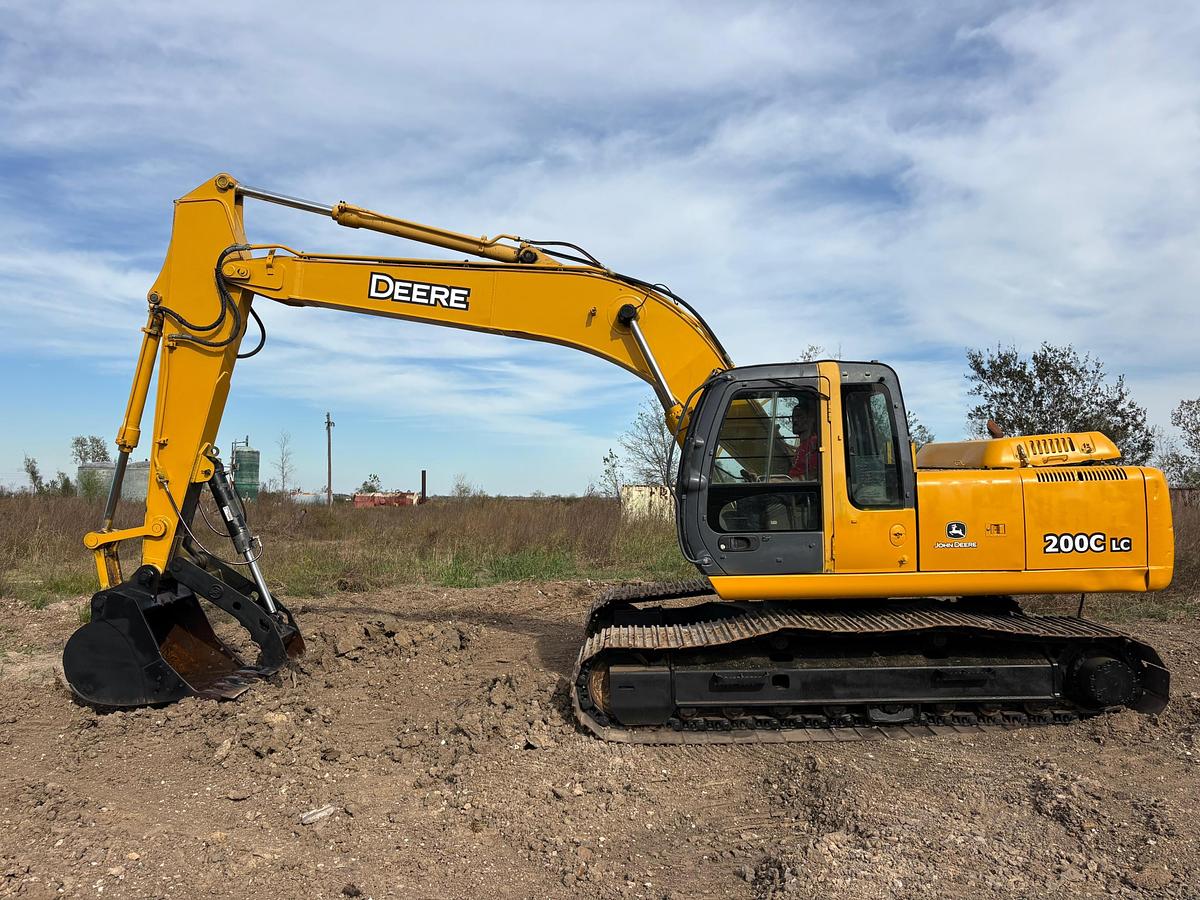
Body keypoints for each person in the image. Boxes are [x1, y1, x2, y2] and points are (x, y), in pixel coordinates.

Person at [788, 396, 819, 480]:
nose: (794, 420)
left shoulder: (816, 443)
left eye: (799, 416)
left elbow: (820, 470)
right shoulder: (801, 447)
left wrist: (798, 480)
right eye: (792, 417)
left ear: (811, 419)